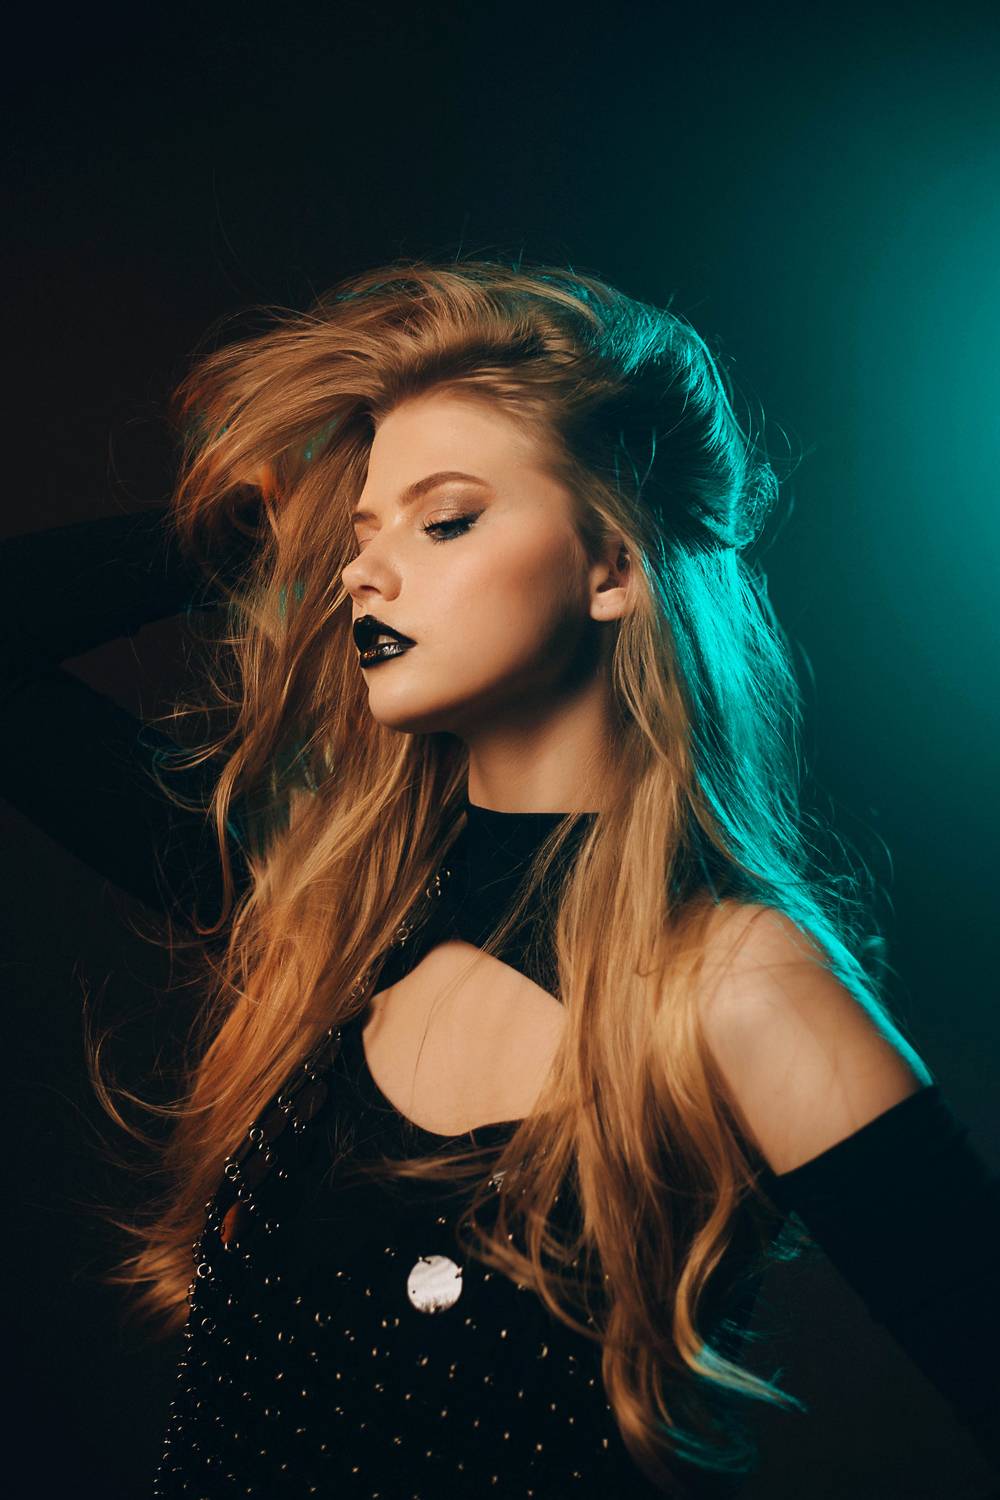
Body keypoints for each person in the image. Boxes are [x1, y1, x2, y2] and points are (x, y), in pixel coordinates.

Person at [1, 257, 997, 1499]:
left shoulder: (733, 987)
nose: (364, 574)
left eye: (446, 519)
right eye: (360, 535)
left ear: (613, 568)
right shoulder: (326, 924)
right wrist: (262, 527)